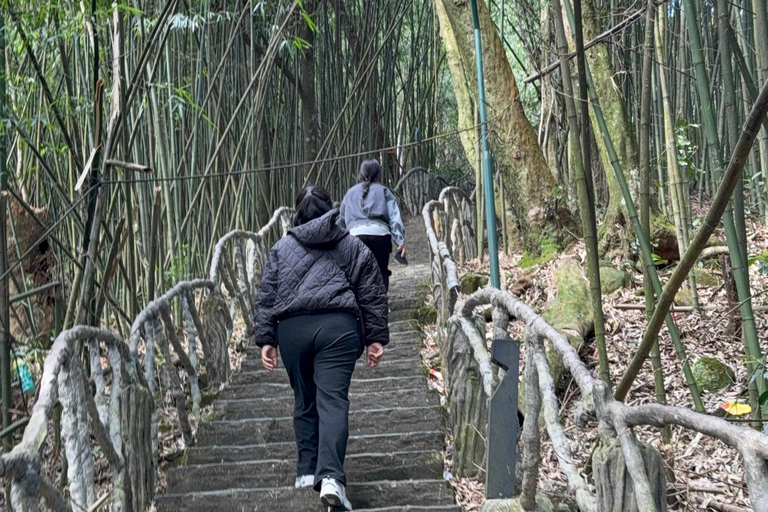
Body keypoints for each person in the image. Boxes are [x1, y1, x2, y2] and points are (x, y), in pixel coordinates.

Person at [253, 186, 388, 511]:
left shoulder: (281, 248)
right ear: (331, 209)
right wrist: (375, 337)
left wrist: (266, 339)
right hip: (337, 329)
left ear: (296, 212)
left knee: (304, 399)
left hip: (293, 331)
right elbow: (371, 292)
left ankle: (305, 472)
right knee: (332, 401)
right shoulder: (351, 245)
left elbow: (266, 296)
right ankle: (330, 478)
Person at [338, 159, 405, 290]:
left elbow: (341, 221)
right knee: (381, 272)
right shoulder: (384, 191)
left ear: (360, 174)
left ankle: (360, 307)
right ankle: (381, 305)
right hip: (380, 236)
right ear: (378, 174)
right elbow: (394, 217)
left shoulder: (350, 193)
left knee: (357, 274)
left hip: (355, 237)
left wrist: (338, 244)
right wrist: (400, 241)